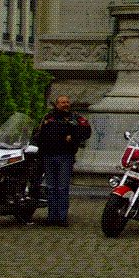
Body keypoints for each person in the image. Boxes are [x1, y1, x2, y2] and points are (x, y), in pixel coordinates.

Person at [32, 96, 91, 226]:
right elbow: (38, 132)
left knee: (62, 187)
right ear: (57, 104)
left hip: (65, 156)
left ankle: (62, 217)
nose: (66, 104)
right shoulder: (48, 117)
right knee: (51, 187)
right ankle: (52, 217)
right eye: (62, 102)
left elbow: (87, 131)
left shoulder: (75, 118)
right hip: (48, 156)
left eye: (67, 102)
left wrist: (74, 136)